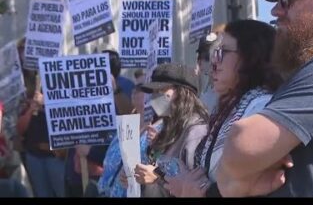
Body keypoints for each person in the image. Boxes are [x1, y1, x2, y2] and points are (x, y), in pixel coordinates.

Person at [216, 0, 313, 197]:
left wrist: (233, 177)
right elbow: (230, 172)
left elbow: (241, 144)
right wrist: (231, 180)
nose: (275, 10)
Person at [164, 19, 285, 197]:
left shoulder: (262, 108)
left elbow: (245, 182)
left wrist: (191, 189)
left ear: (252, 55)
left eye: (223, 52)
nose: (214, 61)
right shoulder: (229, 108)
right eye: (214, 53)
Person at [64, 49, 134, 197]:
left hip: (108, 174)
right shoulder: (81, 90)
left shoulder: (126, 88)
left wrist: (115, 91)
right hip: (80, 174)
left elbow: (131, 117)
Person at [134, 63, 209, 197]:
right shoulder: (167, 127)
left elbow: (195, 188)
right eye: (153, 92)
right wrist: (137, 177)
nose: (154, 97)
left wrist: (158, 177)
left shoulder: (197, 131)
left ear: (182, 92)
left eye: (160, 91)